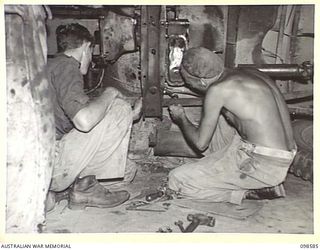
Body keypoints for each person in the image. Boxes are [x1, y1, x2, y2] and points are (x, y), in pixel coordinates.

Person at [167, 47, 297, 205]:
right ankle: (224, 168)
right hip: (283, 153)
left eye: (189, 83)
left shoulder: (218, 90)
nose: (189, 86)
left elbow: (200, 144)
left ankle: (251, 192)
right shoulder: (249, 72)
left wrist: (181, 118)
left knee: (177, 180)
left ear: (202, 81)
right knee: (222, 118)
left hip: (264, 165)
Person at [45, 23, 142, 211]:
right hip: (53, 164)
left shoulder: (51, 65)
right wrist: (111, 93)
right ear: (86, 47)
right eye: (91, 52)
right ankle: (84, 188)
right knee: (119, 107)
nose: (91, 59)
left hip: (43, 157)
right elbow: (84, 122)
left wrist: (132, 115)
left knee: (127, 170)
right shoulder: (67, 67)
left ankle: (63, 190)